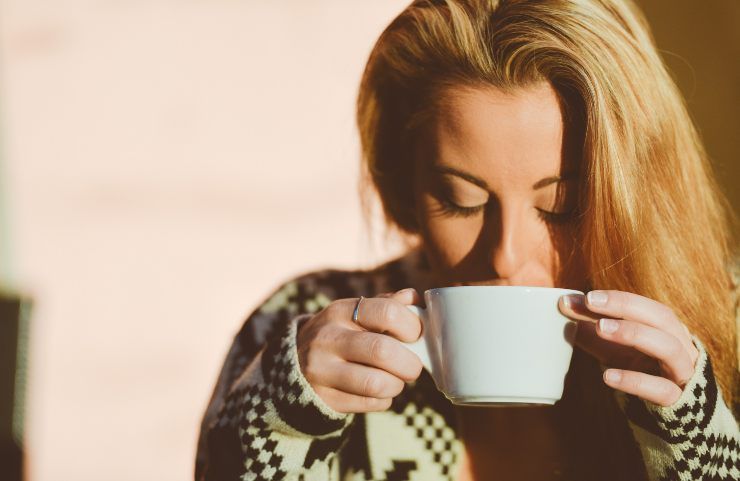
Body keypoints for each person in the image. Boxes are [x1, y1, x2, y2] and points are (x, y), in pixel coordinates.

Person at [195, 0, 739, 480]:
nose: (504, 256)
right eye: (462, 200)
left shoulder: (726, 324)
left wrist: (698, 447)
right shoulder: (304, 323)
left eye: (561, 206)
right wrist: (278, 428)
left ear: (637, 189)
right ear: (405, 187)